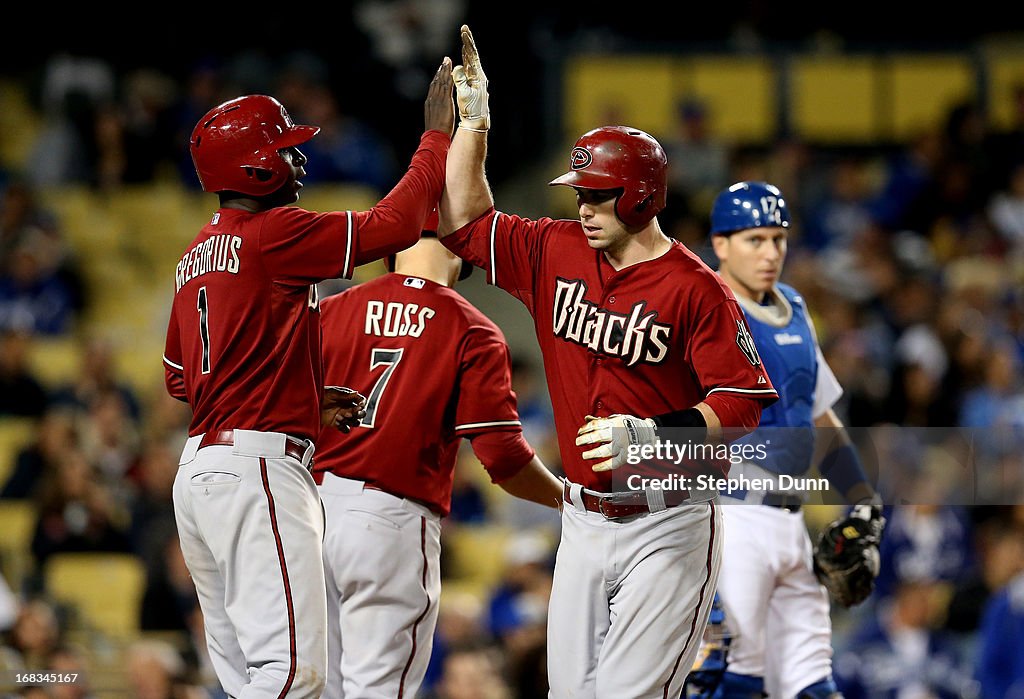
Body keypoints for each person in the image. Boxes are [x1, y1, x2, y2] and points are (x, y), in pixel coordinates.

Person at [437, 26, 779, 698]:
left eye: (598, 194)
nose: (584, 205)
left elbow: (741, 404)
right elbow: (464, 223)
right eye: (581, 193)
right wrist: (473, 123)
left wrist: (655, 434)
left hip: (668, 518)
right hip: (584, 516)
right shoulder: (556, 248)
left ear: (643, 195)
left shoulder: (695, 287)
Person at [162, 59, 454, 699]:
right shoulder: (275, 232)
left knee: (249, 679)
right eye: (285, 151)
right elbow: (393, 227)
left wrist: (299, 400)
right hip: (258, 470)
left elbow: (183, 380)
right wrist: (436, 138)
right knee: (294, 674)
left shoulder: (193, 258)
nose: (299, 163)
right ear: (254, 167)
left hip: (200, 477)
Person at [312, 208, 563, 698]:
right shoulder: (473, 328)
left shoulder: (329, 310)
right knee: (380, 689)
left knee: (320, 686)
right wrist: (570, 501)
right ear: (464, 247)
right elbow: (503, 458)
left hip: (309, 511)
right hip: (389, 518)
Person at [694, 180, 887, 698]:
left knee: (812, 683)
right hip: (730, 516)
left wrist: (861, 498)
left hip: (789, 518)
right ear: (721, 244)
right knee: (730, 679)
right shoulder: (700, 306)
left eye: (778, 238)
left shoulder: (796, 308)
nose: (770, 252)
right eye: (754, 239)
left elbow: (819, 416)